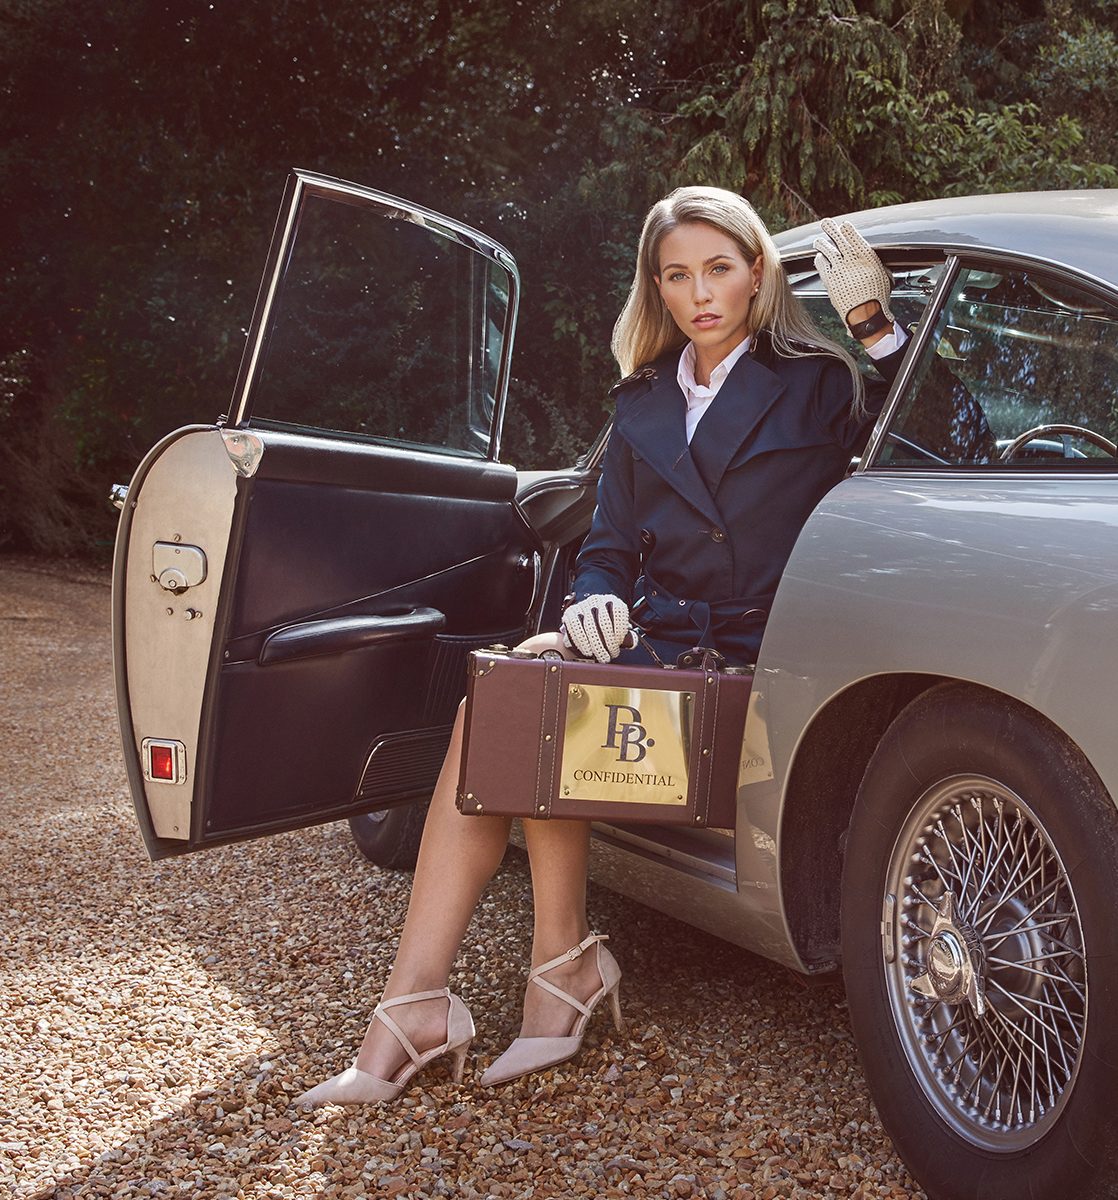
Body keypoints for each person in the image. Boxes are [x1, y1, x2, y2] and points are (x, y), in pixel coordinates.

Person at [297, 187, 910, 1105]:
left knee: (538, 712)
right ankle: (428, 998)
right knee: (514, 698)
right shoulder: (641, 404)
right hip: (661, 645)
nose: (700, 293)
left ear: (755, 275)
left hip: (764, 661)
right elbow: (609, 550)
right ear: (656, 289)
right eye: (677, 276)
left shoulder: (820, 382)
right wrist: (591, 601)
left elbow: (945, 454)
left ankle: (549, 979)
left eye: (719, 269)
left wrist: (872, 323)